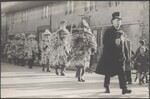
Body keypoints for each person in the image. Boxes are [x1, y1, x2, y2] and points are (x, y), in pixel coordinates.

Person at [95, 12, 132, 94]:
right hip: (110, 56)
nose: (119, 22)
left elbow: (125, 45)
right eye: (117, 20)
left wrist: (126, 55)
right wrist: (114, 42)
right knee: (108, 73)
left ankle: (124, 88)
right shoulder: (108, 31)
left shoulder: (122, 32)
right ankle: (107, 86)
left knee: (121, 73)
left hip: (119, 57)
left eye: (120, 20)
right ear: (112, 21)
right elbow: (105, 43)